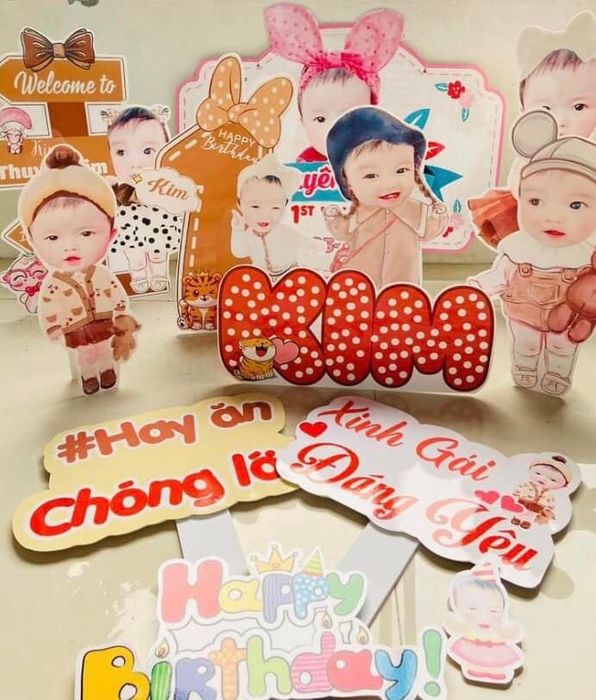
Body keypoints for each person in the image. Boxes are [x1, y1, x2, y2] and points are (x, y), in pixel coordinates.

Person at [469, 110, 596, 396]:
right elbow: (501, 273)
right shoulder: (518, 248)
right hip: (522, 314)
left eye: (575, 205)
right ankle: (524, 367)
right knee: (524, 343)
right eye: (536, 201)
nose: (553, 217)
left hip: (568, 320)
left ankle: (557, 372)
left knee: (562, 346)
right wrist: (481, 287)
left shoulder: (587, 254)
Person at [18, 144, 140, 395]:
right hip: (75, 329)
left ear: (111, 234)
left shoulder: (102, 275)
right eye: (53, 237)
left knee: (105, 351)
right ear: (32, 241)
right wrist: (55, 330)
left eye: (86, 233)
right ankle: (88, 377)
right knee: (85, 356)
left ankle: (107, 372)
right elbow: (49, 306)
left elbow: (117, 297)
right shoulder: (53, 284)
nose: (70, 246)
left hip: (104, 324)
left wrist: (121, 316)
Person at [469, 11, 596, 247]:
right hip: (539, 224)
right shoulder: (530, 157)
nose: (560, 121)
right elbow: (519, 186)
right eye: (546, 108)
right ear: (524, 110)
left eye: (579, 107)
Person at [324, 107, 448, 287]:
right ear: (347, 180)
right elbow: (343, 232)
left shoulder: (415, 211)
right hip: (361, 285)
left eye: (401, 170)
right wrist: (333, 217)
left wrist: (439, 217)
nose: (389, 184)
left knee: (402, 300)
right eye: (371, 176)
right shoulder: (357, 213)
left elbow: (428, 231)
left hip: (403, 286)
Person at [265, 3, 403, 162]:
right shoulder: (307, 163)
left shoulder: (380, 157)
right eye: (320, 119)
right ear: (304, 124)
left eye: (350, 118)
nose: (333, 129)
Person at [104, 105, 181, 293]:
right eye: (121, 152)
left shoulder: (164, 182)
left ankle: (159, 274)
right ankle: (138, 275)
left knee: (158, 252)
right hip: (130, 222)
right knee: (135, 255)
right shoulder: (119, 185)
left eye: (148, 151)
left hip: (157, 220)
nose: (134, 163)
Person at [231, 154, 325, 279]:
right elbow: (240, 253)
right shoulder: (248, 234)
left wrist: (315, 246)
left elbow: (301, 239)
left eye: (275, 208)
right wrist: (237, 230)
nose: (265, 215)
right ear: (240, 204)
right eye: (255, 206)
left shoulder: (283, 231)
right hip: (263, 278)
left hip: (289, 274)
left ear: (285, 205)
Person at [445, 561, 523, 684]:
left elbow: (512, 632)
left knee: (498, 662)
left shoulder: (498, 634)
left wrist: (509, 632)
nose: (484, 617)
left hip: (498, 651)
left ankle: (497, 672)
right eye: (472, 609)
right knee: (472, 659)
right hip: (469, 647)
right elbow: (453, 624)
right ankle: (474, 668)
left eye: (493, 611)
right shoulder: (466, 631)